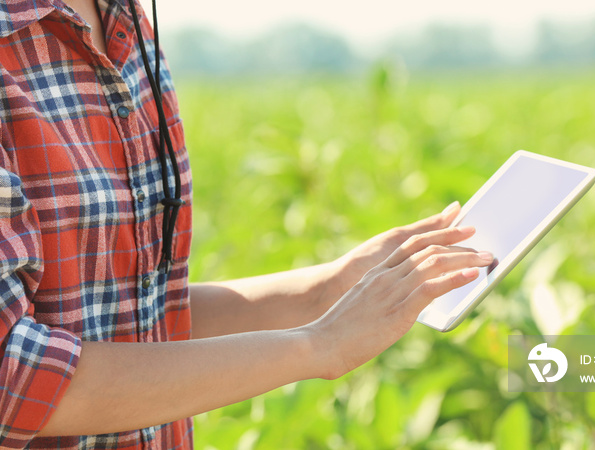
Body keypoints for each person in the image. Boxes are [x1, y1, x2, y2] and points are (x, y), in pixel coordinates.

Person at [0, 0, 493, 447]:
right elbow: (11, 377)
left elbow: (141, 316)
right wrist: (320, 345)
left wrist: (331, 288)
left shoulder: (127, 28)